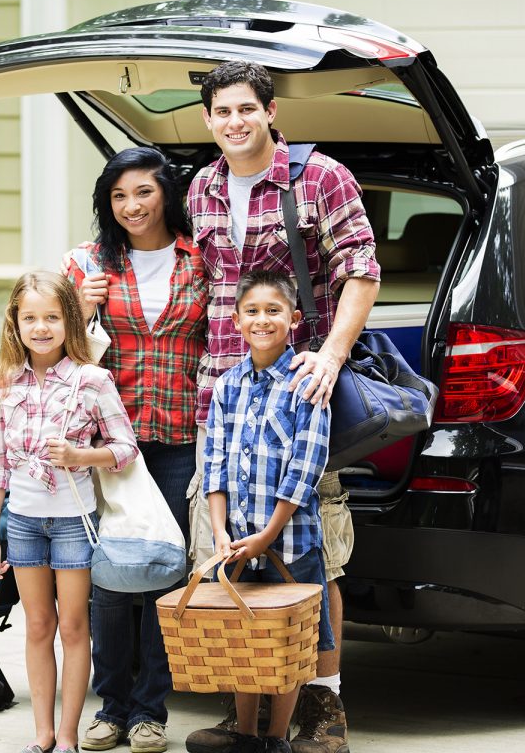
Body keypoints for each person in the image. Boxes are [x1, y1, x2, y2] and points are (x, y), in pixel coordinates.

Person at [186, 60, 380, 753]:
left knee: (312, 558)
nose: (235, 122)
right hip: (223, 397)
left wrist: (328, 355)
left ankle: (323, 711)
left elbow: (362, 267)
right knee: (231, 556)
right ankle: (250, 716)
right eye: (222, 112)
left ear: (271, 112)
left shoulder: (318, 177)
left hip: (298, 398)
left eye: (246, 109)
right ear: (207, 119)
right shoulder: (204, 187)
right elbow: (196, 281)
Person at [62, 147, 208, 753]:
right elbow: (49, 354)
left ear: (166, 195)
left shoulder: (203, 261)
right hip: (105, 446)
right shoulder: (85, 263)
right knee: (110, 579)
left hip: (177, 439)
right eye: (119, 196)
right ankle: (111, 707)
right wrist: (83, 310)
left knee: (161, 574)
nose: (132, 207)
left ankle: (150, 710)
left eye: (144, 193)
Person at [0, 271, 140, 753]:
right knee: (37, 625)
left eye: (51, 317)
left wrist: (80, 457)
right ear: (16, 323)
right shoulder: (4, 384)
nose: (41, 327)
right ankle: (42, 733)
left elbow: (125, 448)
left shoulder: (92, 380)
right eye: (30, 318)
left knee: (73, 627)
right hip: (24, 522)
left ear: (70, 320)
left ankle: (68, 735)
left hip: (75, 521)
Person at [204, 268, 334, 753]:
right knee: (243, 641)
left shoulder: (307, 383)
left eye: (273, 311)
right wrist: (220, 533)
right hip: (236, 543)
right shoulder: (226, 386)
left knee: (287, 646)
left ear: (294, 319)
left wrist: (268, 534)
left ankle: (276, 738)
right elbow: (214, 464)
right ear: (236, 321)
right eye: (252, 311)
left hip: (291, 543)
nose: (262, 320)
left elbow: (304, 468)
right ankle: (246, 734)